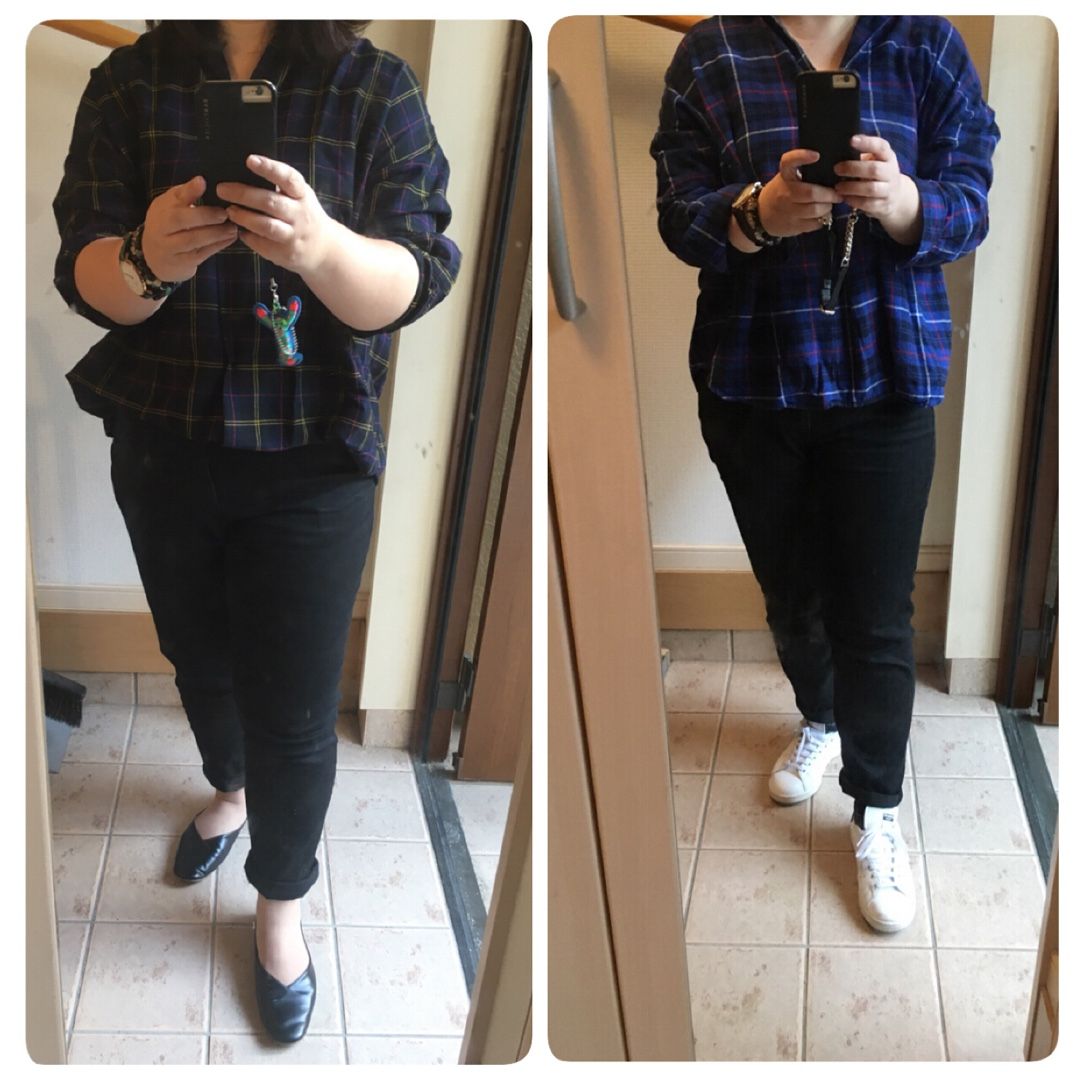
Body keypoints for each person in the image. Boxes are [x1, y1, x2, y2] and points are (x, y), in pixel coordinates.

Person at [53, 19, 460, 1041]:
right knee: (196, 657)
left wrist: (320, 247)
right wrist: (146, 257)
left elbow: (417, 275)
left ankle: (280, 906)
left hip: (313, 454)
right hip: (163, 443)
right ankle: (230, 791)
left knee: (295, 708)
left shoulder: (374, 87)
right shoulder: (129, 81)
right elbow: (82, 271)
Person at [651, 15, 998, 933]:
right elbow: (678, 214)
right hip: (753, 382)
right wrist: (754, 215)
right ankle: (823, 718)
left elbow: (972, 198)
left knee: (876, 616)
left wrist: (906, 203)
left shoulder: (925, 43)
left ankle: (877, 809)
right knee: (791, 595)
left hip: (888, 382)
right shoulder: (712, 52)